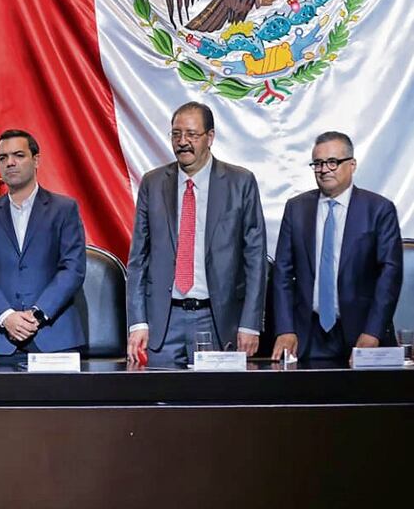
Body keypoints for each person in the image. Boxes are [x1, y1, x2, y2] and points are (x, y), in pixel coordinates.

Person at [126, 102, 266, 366]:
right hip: (163, 322)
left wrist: (250, 324)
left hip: (217, 320)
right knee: (161, 393)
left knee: (214, 394)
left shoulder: (240, 182)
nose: (183, 142)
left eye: (191, 134)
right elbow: (138, 260)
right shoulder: (153, 183)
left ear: (210, 137)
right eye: (176, 134)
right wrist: (138, 322)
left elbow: (255, 259)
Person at [271, 132, 403, 361]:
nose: (324, 169)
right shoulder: (296, 208)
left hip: (363, 334)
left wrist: (373, 332)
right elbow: (282, 272)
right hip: (307, 335)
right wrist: (285, 328)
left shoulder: (379, 209)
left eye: (332, 162)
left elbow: (390, 275)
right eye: (318, 163)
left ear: (352, 165)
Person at [0, 129, 86, 358]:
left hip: (55, 337)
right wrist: (6, 316)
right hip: (6, 340)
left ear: (36, 160)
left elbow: (73, 269)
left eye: (19, 155)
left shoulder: (64, 209)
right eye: (3, 157)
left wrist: (37, 314)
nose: (10, 163)